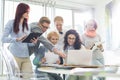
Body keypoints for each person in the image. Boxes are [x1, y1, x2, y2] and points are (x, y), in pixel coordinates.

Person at [1, 3, 37, 79]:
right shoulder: (11, 23)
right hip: (14, 55)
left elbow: (28, 44)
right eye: (26, 12)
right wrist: (17, 39)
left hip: (26, 56)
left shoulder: (27, 25)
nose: (28, 14)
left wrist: (33, 42)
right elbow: (3, 39)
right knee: (15, 78)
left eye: (28, 12)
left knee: (28, 77)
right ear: (21, 11)